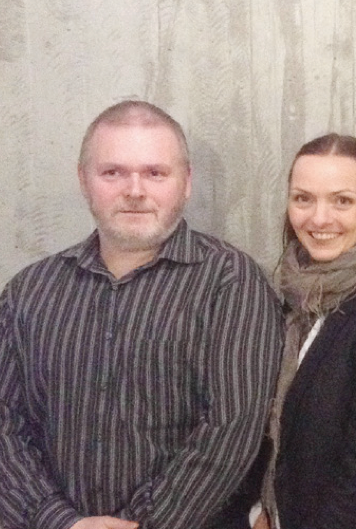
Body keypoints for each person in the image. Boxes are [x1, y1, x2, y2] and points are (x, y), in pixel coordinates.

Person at [0, 100, 283, 529]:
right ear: (83, 180)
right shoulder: (29, 292)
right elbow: (5, 424)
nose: (135, 190)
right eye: (113, 172)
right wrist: (59, 521)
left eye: (155, 173)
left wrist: (146, 525)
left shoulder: (231, 282)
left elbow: (230, 428)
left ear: (186, 182)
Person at [241, 133, 356, 529]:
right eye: (303, 199)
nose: (319, 218)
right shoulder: (295, 299)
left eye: (342, 201)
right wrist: (263, 510)